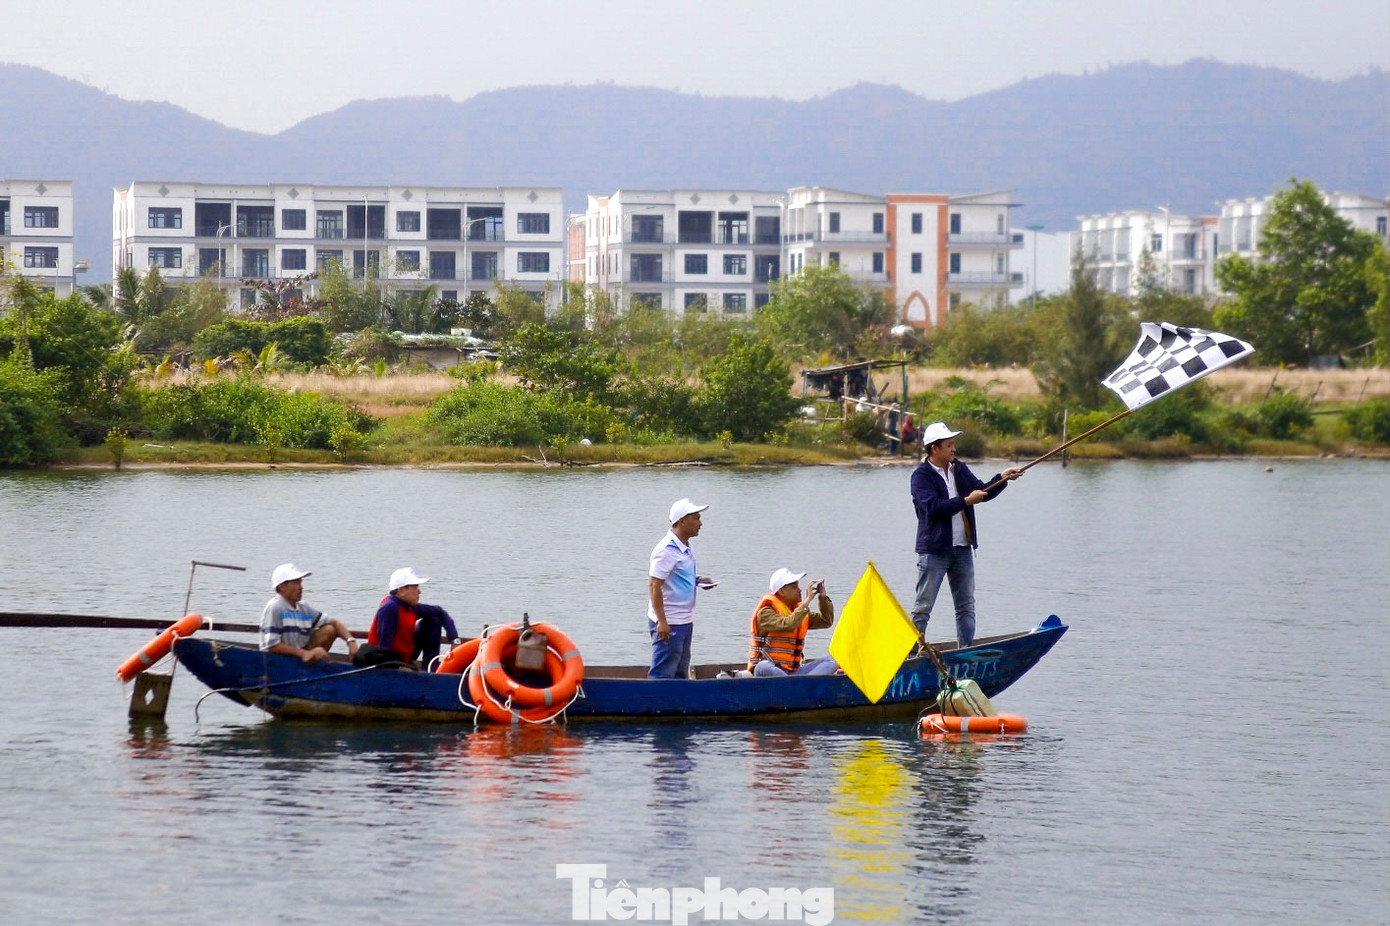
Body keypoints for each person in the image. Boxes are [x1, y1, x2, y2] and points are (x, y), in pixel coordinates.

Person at [910, 422, 1023, 649]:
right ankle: (910, 652)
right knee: (923, 606)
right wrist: (965, 501)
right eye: (949, 445)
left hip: (962, 549)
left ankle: (966, 650)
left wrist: (1001, 478)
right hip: (934, 551)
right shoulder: (920, 476)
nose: (954, 449)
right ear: (935, 448)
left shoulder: (958, 468)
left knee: (965, 605)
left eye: (953, 444)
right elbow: (934, 508)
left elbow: (980, 490)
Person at [648, 498, 713, 679]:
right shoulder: (666, 550)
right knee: (663, 674)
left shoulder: (686, 545)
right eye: (696, 518)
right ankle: (656, 705)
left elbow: (676, 577)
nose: (700, 523)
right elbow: (654, 585)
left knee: (679, 672)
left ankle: (675, 705)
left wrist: (698, 581)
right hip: (670, 622)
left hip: (684, 621)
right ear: (682, 521)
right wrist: (662, 622)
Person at [260, 563, 358, 664]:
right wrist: (303, 653)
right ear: (281, 587)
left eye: (300, 583)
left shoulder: (303, 608)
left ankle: (313, 665)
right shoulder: (275, 607)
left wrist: (351, 641)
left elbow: (335, 623)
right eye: (296, 583)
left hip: (298, 657)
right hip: (276, 663)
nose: (300, 587)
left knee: (330, 629)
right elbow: (272, 645)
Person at [748, 568, 837, 677]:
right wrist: (808, 600)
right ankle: (797, 685)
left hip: (793, 672)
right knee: (763, 666)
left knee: (833, 660)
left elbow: (826, 621)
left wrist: (822, 598)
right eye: (794, 587)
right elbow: (788, 625)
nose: (799, 590)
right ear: (781, 591)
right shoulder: (765, 612)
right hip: (769, 670)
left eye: (798, 586)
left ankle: (801, 685)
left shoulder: (798, 612)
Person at [368, 567, 461, 670]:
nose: (419, 592)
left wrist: (454, 640)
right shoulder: (389, 608)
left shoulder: (410, 607)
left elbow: (440, 611)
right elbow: (384, 645)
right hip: (389, 660)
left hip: (405, 657)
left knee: (434, 619)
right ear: (402, 590)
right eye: (415, 587)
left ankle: (431, 668)